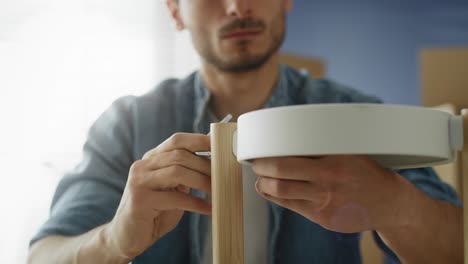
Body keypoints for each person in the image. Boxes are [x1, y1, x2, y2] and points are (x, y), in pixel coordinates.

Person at [28, 0, 463, 263]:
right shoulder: (126, 125)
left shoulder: (354, 113)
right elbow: (43, 257)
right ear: (175, 11)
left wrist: (394, 204)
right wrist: (113, 239)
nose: (238, 6)